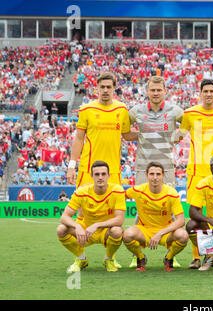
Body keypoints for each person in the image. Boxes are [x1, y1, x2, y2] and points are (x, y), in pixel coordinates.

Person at [66, 71, 134, 269]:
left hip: (113, 171)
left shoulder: (122, 109)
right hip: (88, 170)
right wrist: (72, 165)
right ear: (97, 88)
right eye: (102, 87)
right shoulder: (87, 109)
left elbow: (128, 135)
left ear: (114, 88)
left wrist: (156, 131)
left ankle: (109, 258)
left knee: (115, 218)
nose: (105, 90)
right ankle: (80, 258)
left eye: (109, 87)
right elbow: (79, 138)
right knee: (80, 216)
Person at [127, 76, 184, 268]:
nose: (156, 93)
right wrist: (141, 135)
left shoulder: (174, 110)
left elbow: (190, 123)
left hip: (166, 167)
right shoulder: (136, 111)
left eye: (159, 90)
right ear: (147, 91)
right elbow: (124, 130)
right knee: (141, 208)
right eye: (153, 90)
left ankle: (171, 253)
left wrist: (176, 136)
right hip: (143, 167)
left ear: (165, 91)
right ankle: (137, 253)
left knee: (170, 209)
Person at [177, 79, 213, 269]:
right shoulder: (190, 114)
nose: (208, 94)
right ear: (200, 93)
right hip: (196, 172)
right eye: (205, 91)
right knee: (196, 218)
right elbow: (178, 136)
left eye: (212, 91)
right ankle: (196, 256)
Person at [56, 161, 126, 273]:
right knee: (61, 229)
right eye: (97, 174)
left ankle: (108, 259)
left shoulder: (117, 190)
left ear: (109, 176)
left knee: (117, 231)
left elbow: (120, 220)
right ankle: (81, 259)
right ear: (92, 176)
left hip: (105, 231)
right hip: (85, 230)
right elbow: (64, 217)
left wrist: (97, 225)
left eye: (103, 174)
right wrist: (77, 226)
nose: (100, 177)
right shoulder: (81, 192)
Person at [123, 161, 188, 272]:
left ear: (163, 176)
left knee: (183, 235)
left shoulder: (171, 193)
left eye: (158, 174)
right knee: (127, 234)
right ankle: (140, 258)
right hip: (144, 230)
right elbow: (118, 195)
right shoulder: (138, 190)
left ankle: (169, 258)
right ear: (146, 175)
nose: (155, 177)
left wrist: (160, 233)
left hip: (165, 231)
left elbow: (181, 220)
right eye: (152, 174)